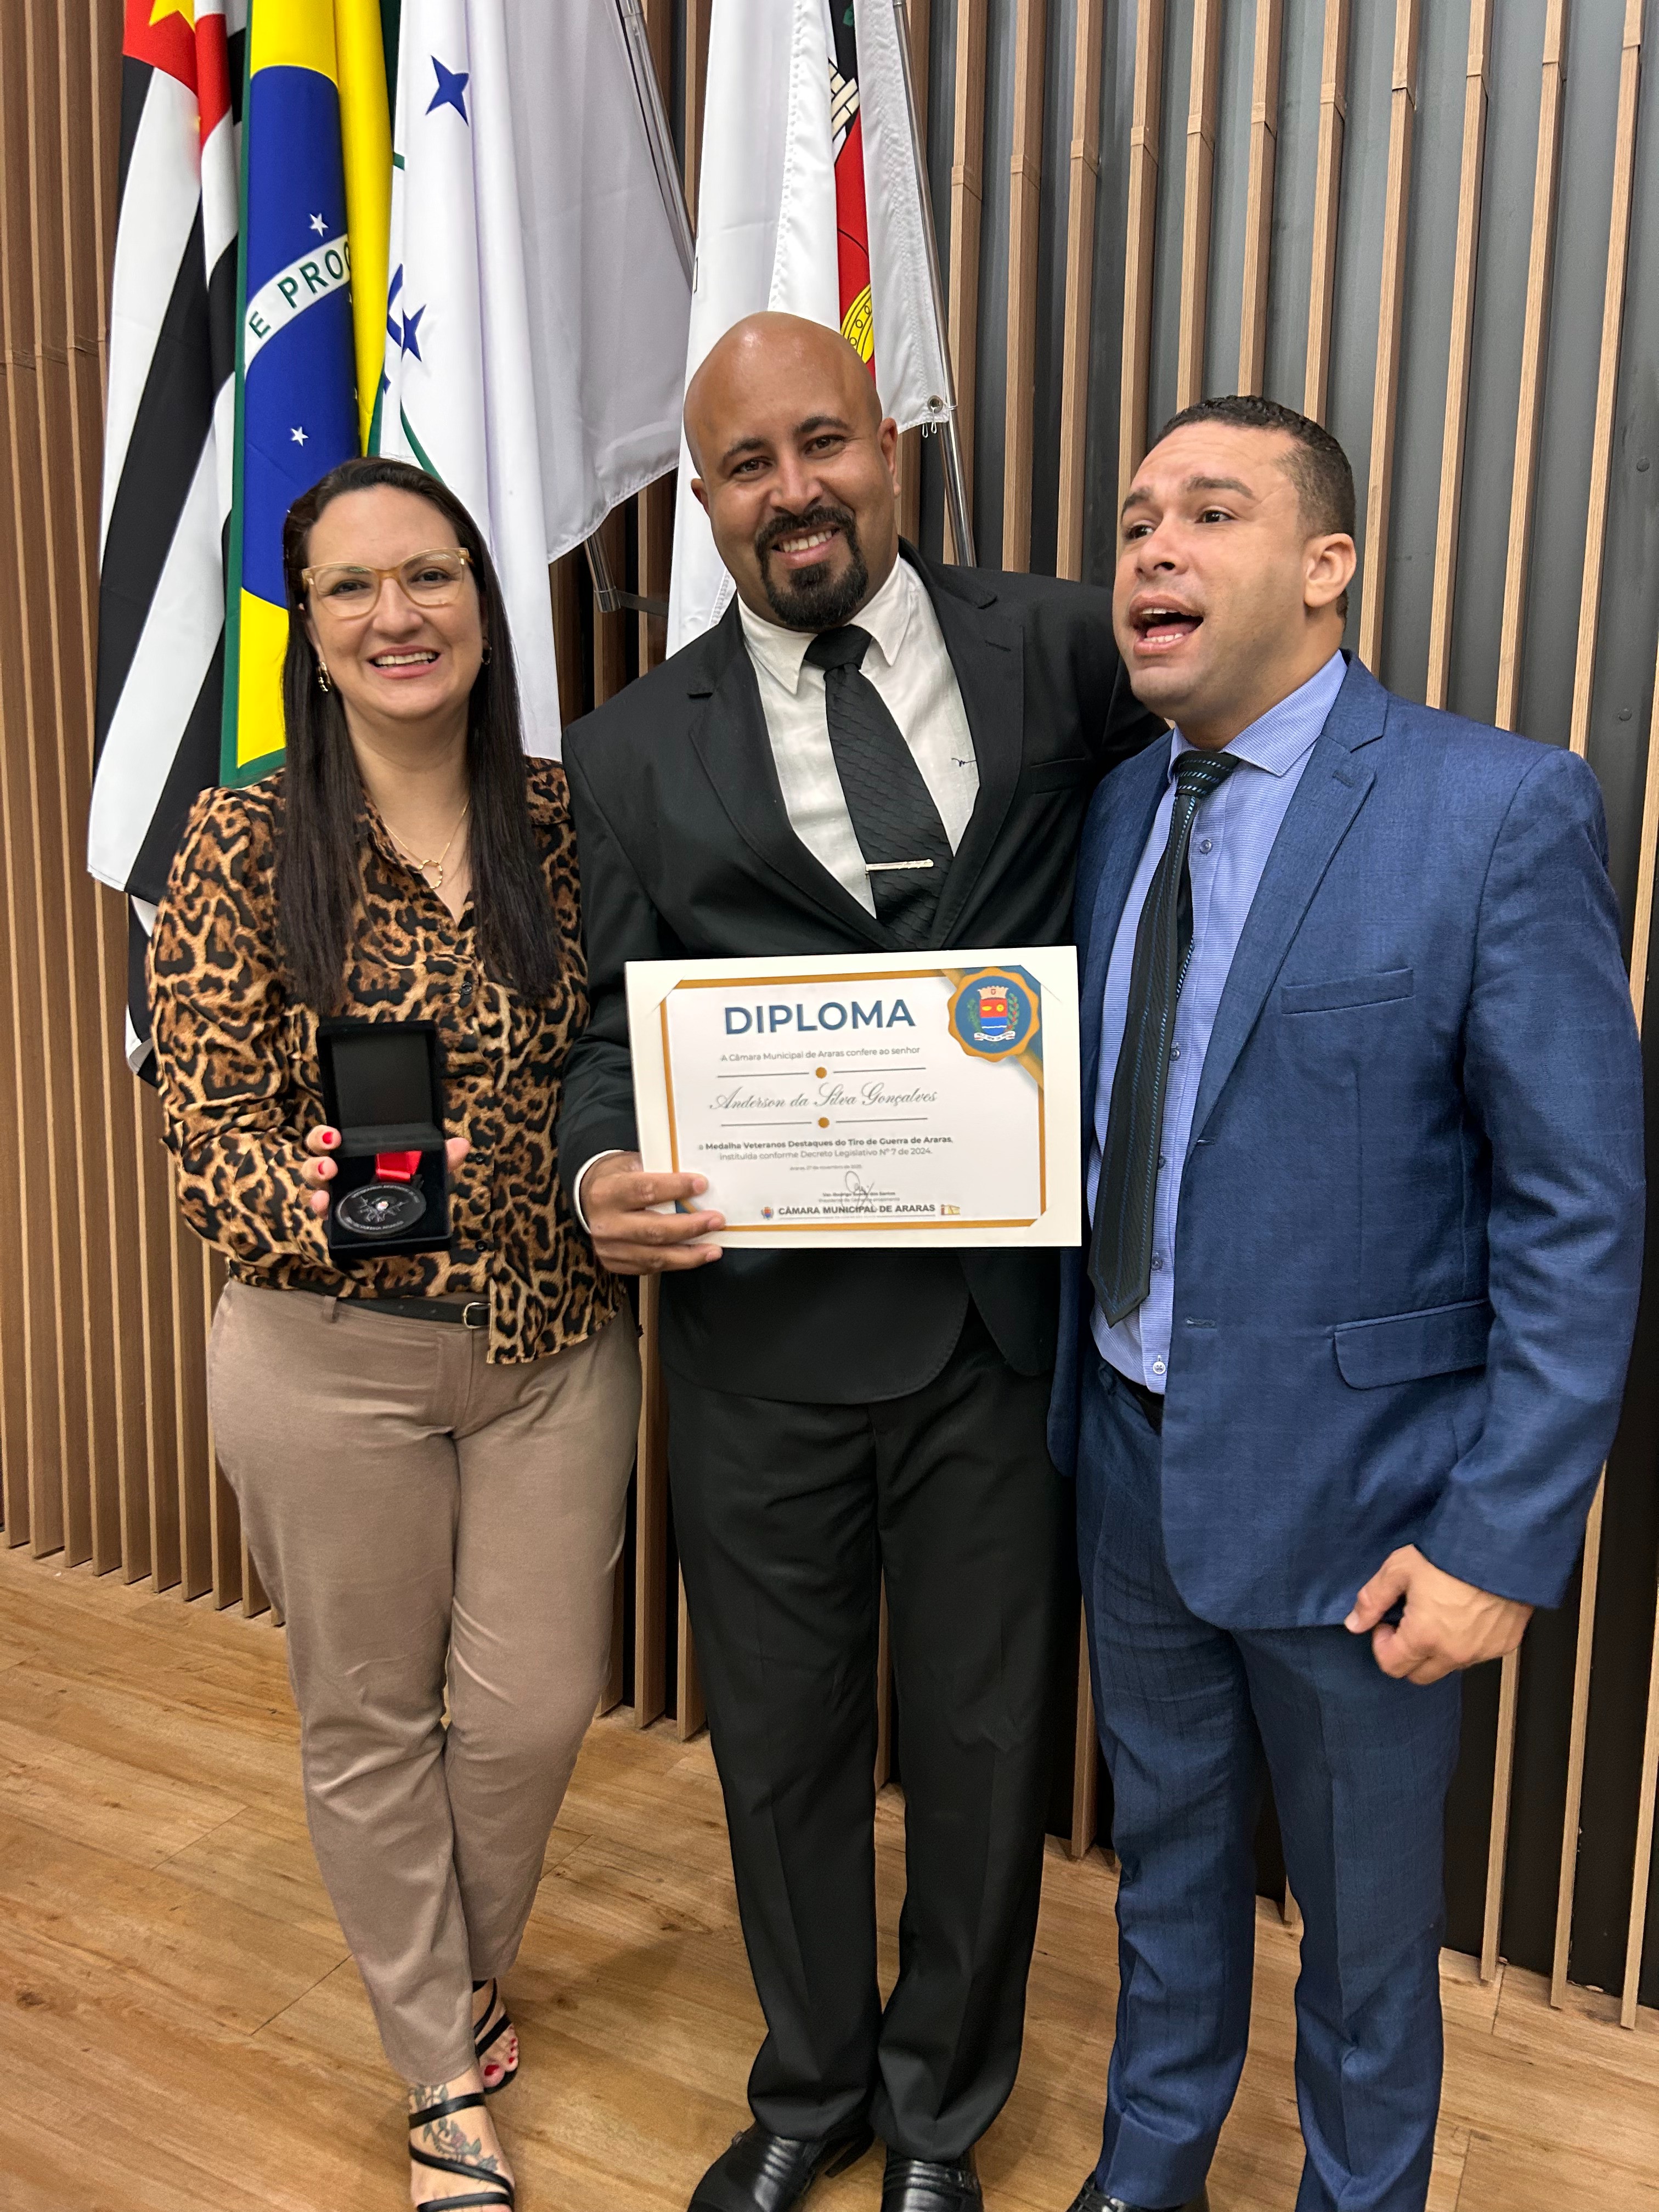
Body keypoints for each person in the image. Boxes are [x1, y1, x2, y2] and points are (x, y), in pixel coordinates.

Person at [557, 311, 1159, 2212]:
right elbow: (605, 1026)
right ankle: (812, 2086)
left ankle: (941, 2115)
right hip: (759, 1338)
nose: (793, 489)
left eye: (821, 441)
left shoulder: (1063, 651)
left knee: (985, 1742)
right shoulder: (629, 749)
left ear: (887, 447)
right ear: (705, 499)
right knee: (781, 1747)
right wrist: (598, 1172)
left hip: (997, 1332)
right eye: (747, 465)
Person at [1051, 394, 1646, 2212]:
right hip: (1134, 1470)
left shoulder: (1494, 810)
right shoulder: (1117, 811)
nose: (1152, 548)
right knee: (1163, 1887)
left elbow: (1580, 1213)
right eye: (1136, 518)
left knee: (1369, 1953)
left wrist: (1500, 1540)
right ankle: (1147, 2174)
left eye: (1208, 512)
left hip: (1372, 1517)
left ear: (1328, 567)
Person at [149, 455, 641, 2212]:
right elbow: (205, 1126)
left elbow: (627, 1045)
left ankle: (455, 1975)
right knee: (365, 1716)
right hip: (325, 1355)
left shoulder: (570, 824)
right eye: (351, 587)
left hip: (552, 1343)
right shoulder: (240, 839)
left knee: (533, 1710)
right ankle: (441, 2073)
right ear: (309, 625)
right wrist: (300, 1194)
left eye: (429, 575)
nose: (396, 615)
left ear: (482, 604)